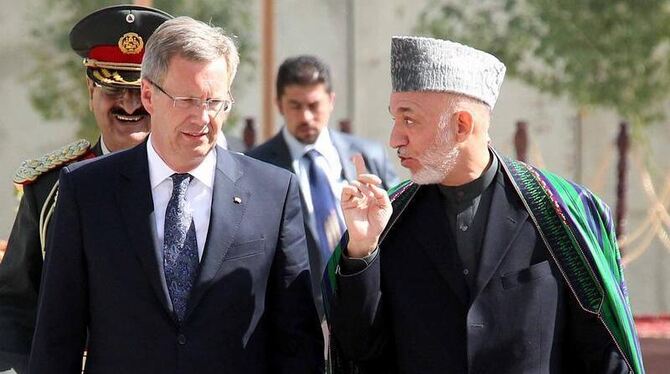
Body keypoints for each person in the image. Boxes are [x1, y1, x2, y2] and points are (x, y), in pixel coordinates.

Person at [323, 36, 645, 373]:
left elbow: (605, 355)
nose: (395, 139)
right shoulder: (391, 218)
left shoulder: (559, 214)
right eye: (395, 119)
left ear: (461, 126)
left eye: (409, 120)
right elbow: (358, 350)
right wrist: (362, 249)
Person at [27, 16, 323, 373]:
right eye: (187, 100)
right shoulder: (87, 190)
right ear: (149, 95)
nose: (202, 118)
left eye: (215, 102)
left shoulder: (273, 192)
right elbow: (57, 338)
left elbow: (297, 340)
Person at [0, 5, 172, 373]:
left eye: (138, 92)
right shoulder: (50, 190)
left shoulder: (195, 183)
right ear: (90, 88)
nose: (128, 105)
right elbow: (16, 303)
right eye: (112, 88)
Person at [246, 55, 398, 318]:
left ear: (331, 101)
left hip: (367, 307)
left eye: (314, 105)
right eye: (295, 106)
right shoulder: (257, 166)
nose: (305, 116)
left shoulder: (368, 156)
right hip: (297, 316)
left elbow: (399, 221)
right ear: (279, 104)